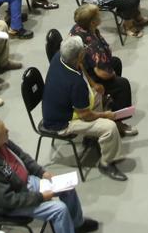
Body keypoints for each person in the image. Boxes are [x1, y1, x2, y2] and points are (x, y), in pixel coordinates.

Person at [0, 116, 100, 233]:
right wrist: (41, 197)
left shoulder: (0, 142)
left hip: (25, 184)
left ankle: (76, 224)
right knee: (59, 209)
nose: (8, 130)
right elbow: (7, 200)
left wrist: (41, 172)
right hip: (11, 204)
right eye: (5, 131)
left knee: (67, 187)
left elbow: (22, 157)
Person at [42, 35, 127, 181]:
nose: (86, 49)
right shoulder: (75, 83)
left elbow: (80, 66)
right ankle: (106, 163)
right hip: (62, 123)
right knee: (110, 127)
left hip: (58, 108)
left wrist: (93, 84)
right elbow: (86, 115)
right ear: (80, 55)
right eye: (84, 48)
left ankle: (91, 136)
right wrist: (106, 115)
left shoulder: (60, 57)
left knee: (97, 94)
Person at [69, 4, 135, 111]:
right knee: (123, 84)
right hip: (84, 77)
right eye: (98, 15)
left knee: (116, 62)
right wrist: (97, 82)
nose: (101, 16)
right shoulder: (92, 44)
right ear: (92, 22)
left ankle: (109, 97)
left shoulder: (77, 28)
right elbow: (102, 73)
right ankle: (119, 115)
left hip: (82, 69)